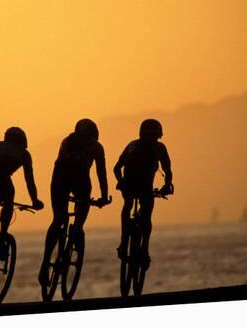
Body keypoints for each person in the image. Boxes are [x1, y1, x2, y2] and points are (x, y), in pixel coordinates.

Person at [39, 119, 111, 284]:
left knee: (79, 222)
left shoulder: (97, 148)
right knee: (59, 219)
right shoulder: (68, 142)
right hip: (62, 178)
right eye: (87, 138)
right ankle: (45, 265)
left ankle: (77, 233)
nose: (89, 142)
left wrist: (105, 195)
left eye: (92, 139)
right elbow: (73, 165)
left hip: (81, 181)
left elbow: (101, 172)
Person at [0, 127, 44, 254]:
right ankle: (3, 235)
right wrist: (35, 200)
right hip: (1, 182)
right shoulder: (24, 154)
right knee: (9, 199)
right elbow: (29, 181)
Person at [113, 119, 173, 268]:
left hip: (132, 185)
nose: (152, 139)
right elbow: (167, 170)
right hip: (139, 186)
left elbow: (116, 168)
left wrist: (120, 181)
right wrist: (166, 186)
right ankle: (140, 248)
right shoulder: (158, 148)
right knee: (144, 214)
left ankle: (127, 244)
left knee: (130, 207)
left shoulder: (133, 145)